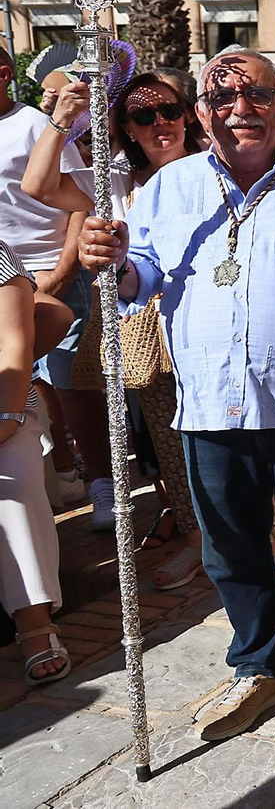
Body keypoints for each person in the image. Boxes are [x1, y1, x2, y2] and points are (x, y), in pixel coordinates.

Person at [78, 47, 275, 740]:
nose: (240, 110)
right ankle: (257, 665)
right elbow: (141, 276)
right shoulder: (169, 188)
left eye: (257, 96)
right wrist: (112, 261)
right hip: (211, 400)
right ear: (201, 113)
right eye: (222, 99)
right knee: (231, 545)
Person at [22, 72, 209, 590]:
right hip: (149, 333)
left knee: (241, 439)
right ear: (126, 128)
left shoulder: (217, 166)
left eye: (168, 110)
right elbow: (38, 186)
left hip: (216, 327)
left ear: (187, 114)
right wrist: (62, 119)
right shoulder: (118, 183)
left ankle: (272, 542)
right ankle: (197, 541)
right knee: (170, 444)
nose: (159, 123)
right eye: (143, 116)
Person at [0, 45, 108, 529]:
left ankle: (104, 484)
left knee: (73, 384)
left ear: (4, 74)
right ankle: (61, 476)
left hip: (52, 271)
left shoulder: (35, 126)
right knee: (30, 385)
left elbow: (81, 198)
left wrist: (63, 272)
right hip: (4, 281)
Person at [0, 238, 74, 685]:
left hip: (4, 408)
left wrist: (5, 421)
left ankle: (34, 624)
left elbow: (14, 344)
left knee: (14, 485)